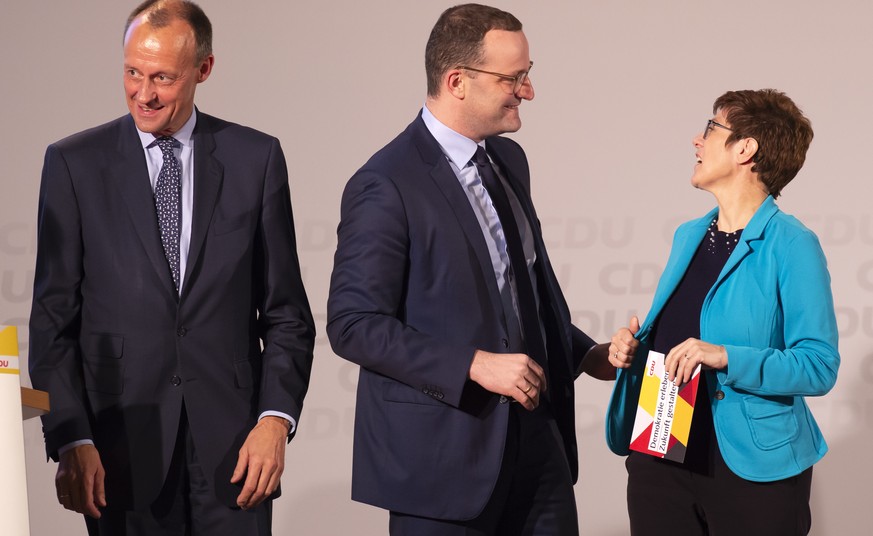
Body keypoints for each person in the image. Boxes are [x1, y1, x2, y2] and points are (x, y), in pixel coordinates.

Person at [28, 1, 315, 534]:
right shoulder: (74, 164)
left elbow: (287, 316)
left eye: (162, 77)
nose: (144, 93)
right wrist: (72, 436)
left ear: (203, 70)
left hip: (237, 454)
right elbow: (52, 321)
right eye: (132, 72)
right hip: (118, 452)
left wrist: (276, 420)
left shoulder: (257, 159)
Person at [326, 4, 613, 535]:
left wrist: (586, 353)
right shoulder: (385, 184)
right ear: (457, 81)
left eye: (528, 74)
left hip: (538, 445)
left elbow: (518, 294)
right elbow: (353, 324)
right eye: (514, 78)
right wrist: (473, 365)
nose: (528, 91)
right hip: (444, 464)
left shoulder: (510, 162)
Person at [604, 89, 839, 535]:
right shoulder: (687, 234)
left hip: (754, 467)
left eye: (711, 128)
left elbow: (818, 365)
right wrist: (633, 348)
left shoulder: (793, 243)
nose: (697, 139)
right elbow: (676, 334)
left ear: (745, 149)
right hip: (661, 447)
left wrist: (725, 355)